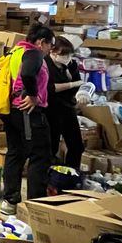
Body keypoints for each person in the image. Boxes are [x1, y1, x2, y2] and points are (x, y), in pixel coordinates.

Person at [0, 24, 55, 216]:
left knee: (15, 153)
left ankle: (10, 201)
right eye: (50, 45)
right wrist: (32, 95)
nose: (50, 50)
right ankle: (35, 205)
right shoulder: (33, 53)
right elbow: (28, 74)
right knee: (40, 156)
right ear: (41, 42)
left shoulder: (15, 51)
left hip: (11, 110)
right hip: (28, 111)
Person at [45, 38, 85, 170]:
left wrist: (83, 93)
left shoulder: (71, 65)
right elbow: (48, 88)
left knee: (77, 146)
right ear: (53, 51)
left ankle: (71, 174)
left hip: (67, 108)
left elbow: (79, 84)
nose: (67, 58)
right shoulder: (45, 64)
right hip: (50, 110)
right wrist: (70, 84)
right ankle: (49, 179)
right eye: (64, 54)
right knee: (51, 147)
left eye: (69, 54)